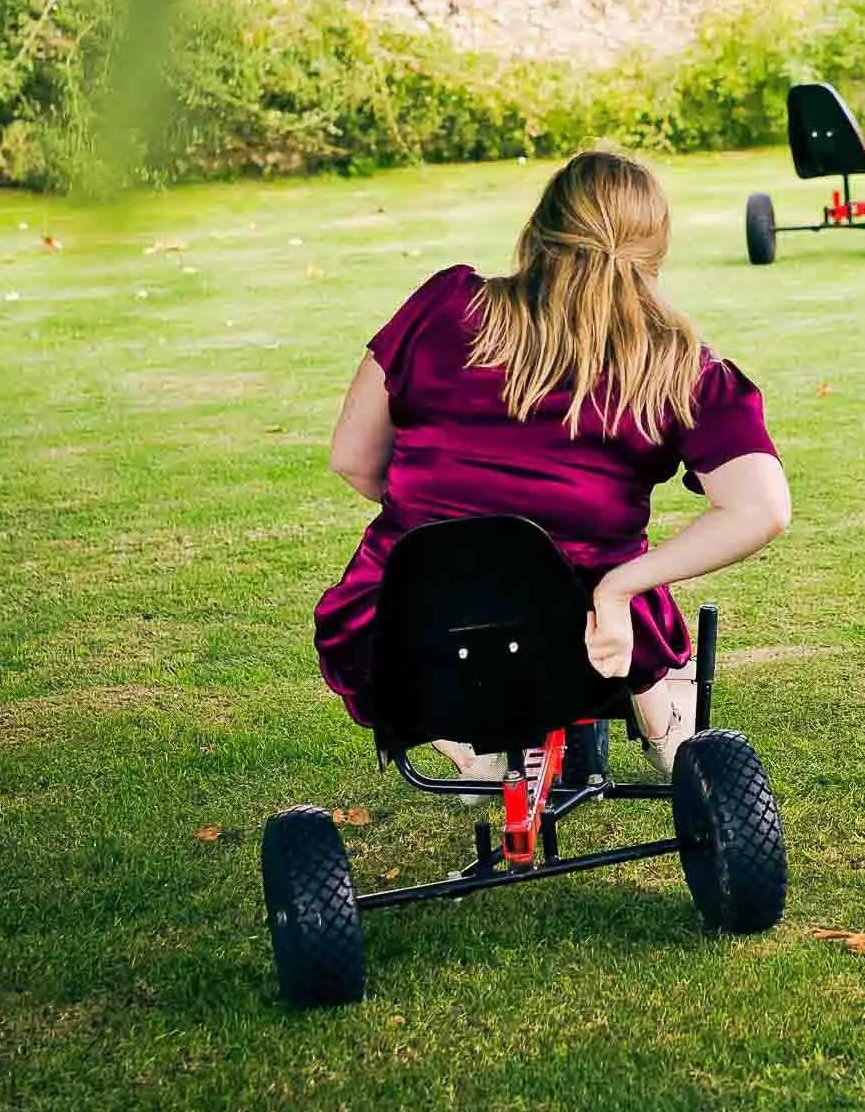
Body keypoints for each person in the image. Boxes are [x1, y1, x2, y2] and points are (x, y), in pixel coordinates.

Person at [317, 150, 790, 780]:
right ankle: (667, 732)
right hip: (577, 635)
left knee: (535, 581)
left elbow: (352, 459)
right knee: (615, 584)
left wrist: (443, 523)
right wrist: (623, 584)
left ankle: (468, 746)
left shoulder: (443, 308)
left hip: (399, 624)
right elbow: (761, 508)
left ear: (539, 229)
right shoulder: (680, 367)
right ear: (654, 251)